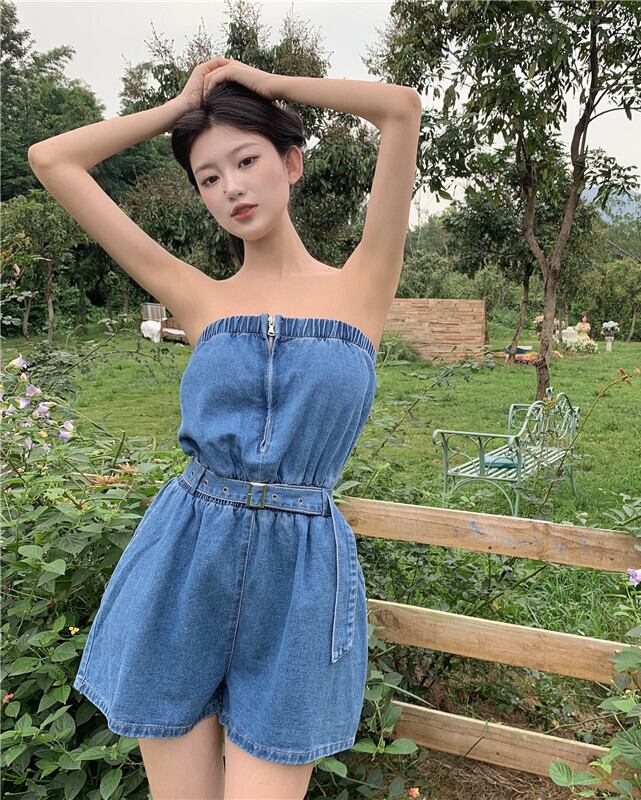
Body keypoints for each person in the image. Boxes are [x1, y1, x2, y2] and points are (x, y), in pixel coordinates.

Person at [28, 57, 422, 798]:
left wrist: (268, 85)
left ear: (291, 163)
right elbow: (53, 160)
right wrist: (177, 107)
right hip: (184, 559)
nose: (231, 188)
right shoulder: (195, 295)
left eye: (246, 161)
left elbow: (400, 108)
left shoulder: (363, 284)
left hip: (300, 581)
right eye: (208, 177)